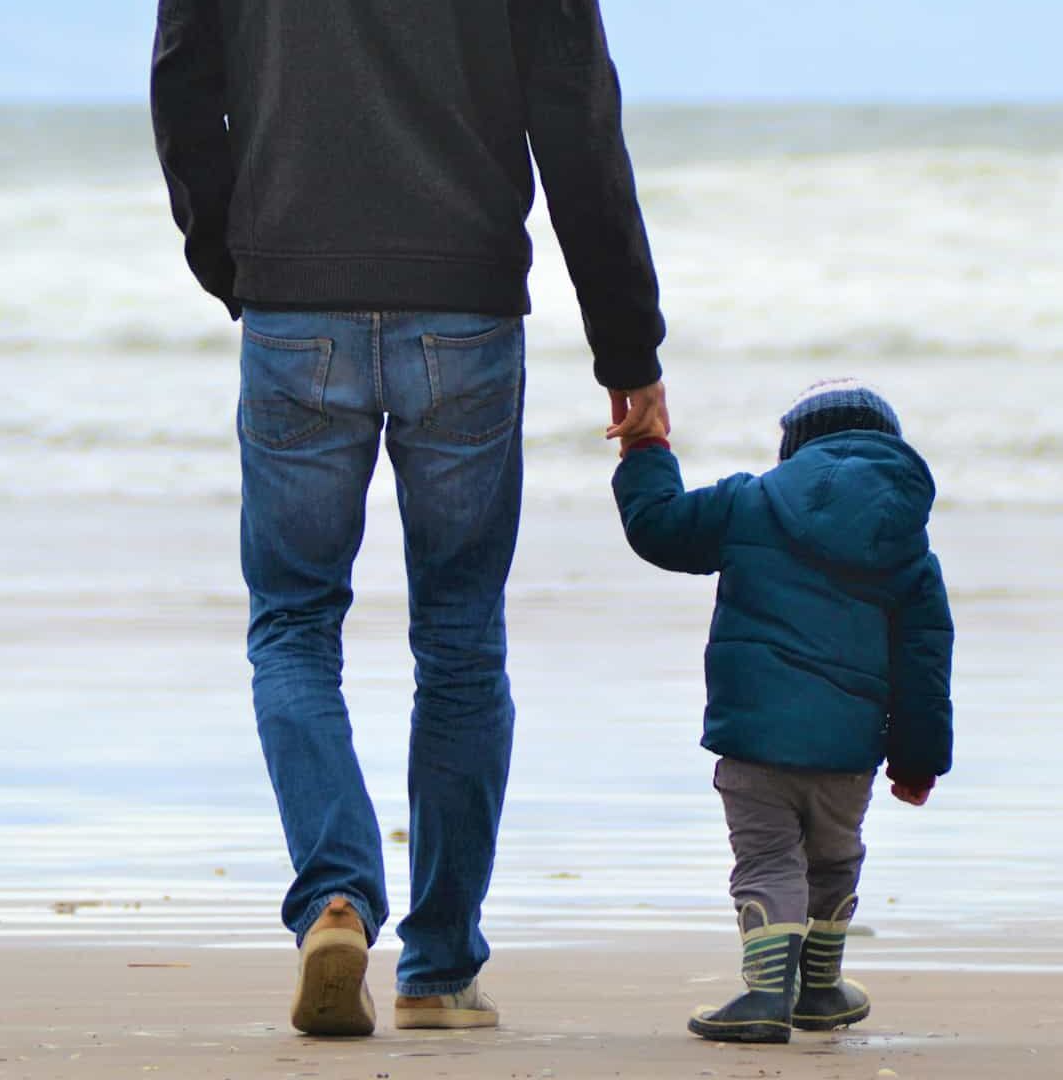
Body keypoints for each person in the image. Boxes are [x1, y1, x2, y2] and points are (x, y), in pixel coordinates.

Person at [150, 0, 669, 1038]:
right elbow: (577, 116)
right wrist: (628, 349)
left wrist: (237, 264)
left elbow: (181, 85)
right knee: (462, 639)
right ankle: (437, 969)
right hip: (464, 309)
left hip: (296, 300)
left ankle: (337, 899)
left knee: (295, 626)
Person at [611, 378, 954, 1043]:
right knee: (832, 859)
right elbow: (924, 664)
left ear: (794, 449)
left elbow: (657, 526)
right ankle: (820, 990)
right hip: (847, 754)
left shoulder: (749, 503)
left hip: (755, 742)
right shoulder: (906, 545)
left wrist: (647, 445)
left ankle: (767, 992)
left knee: (767, 859)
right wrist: (917, 761)